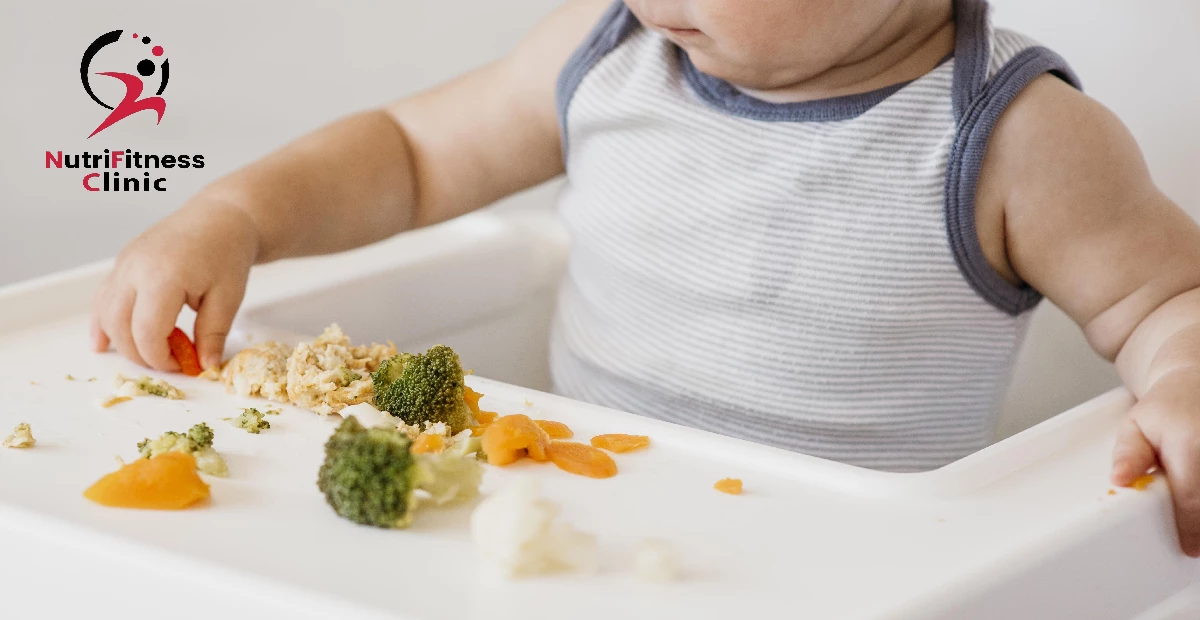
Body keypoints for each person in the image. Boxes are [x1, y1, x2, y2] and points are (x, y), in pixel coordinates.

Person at [91, 0, 1200, 555]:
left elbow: (1166, 300)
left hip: (844, 568)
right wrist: (240, 216)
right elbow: (410, 154)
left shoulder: (1017, 139)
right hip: (565, 520)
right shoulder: (609, 54)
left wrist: (1184, 378)